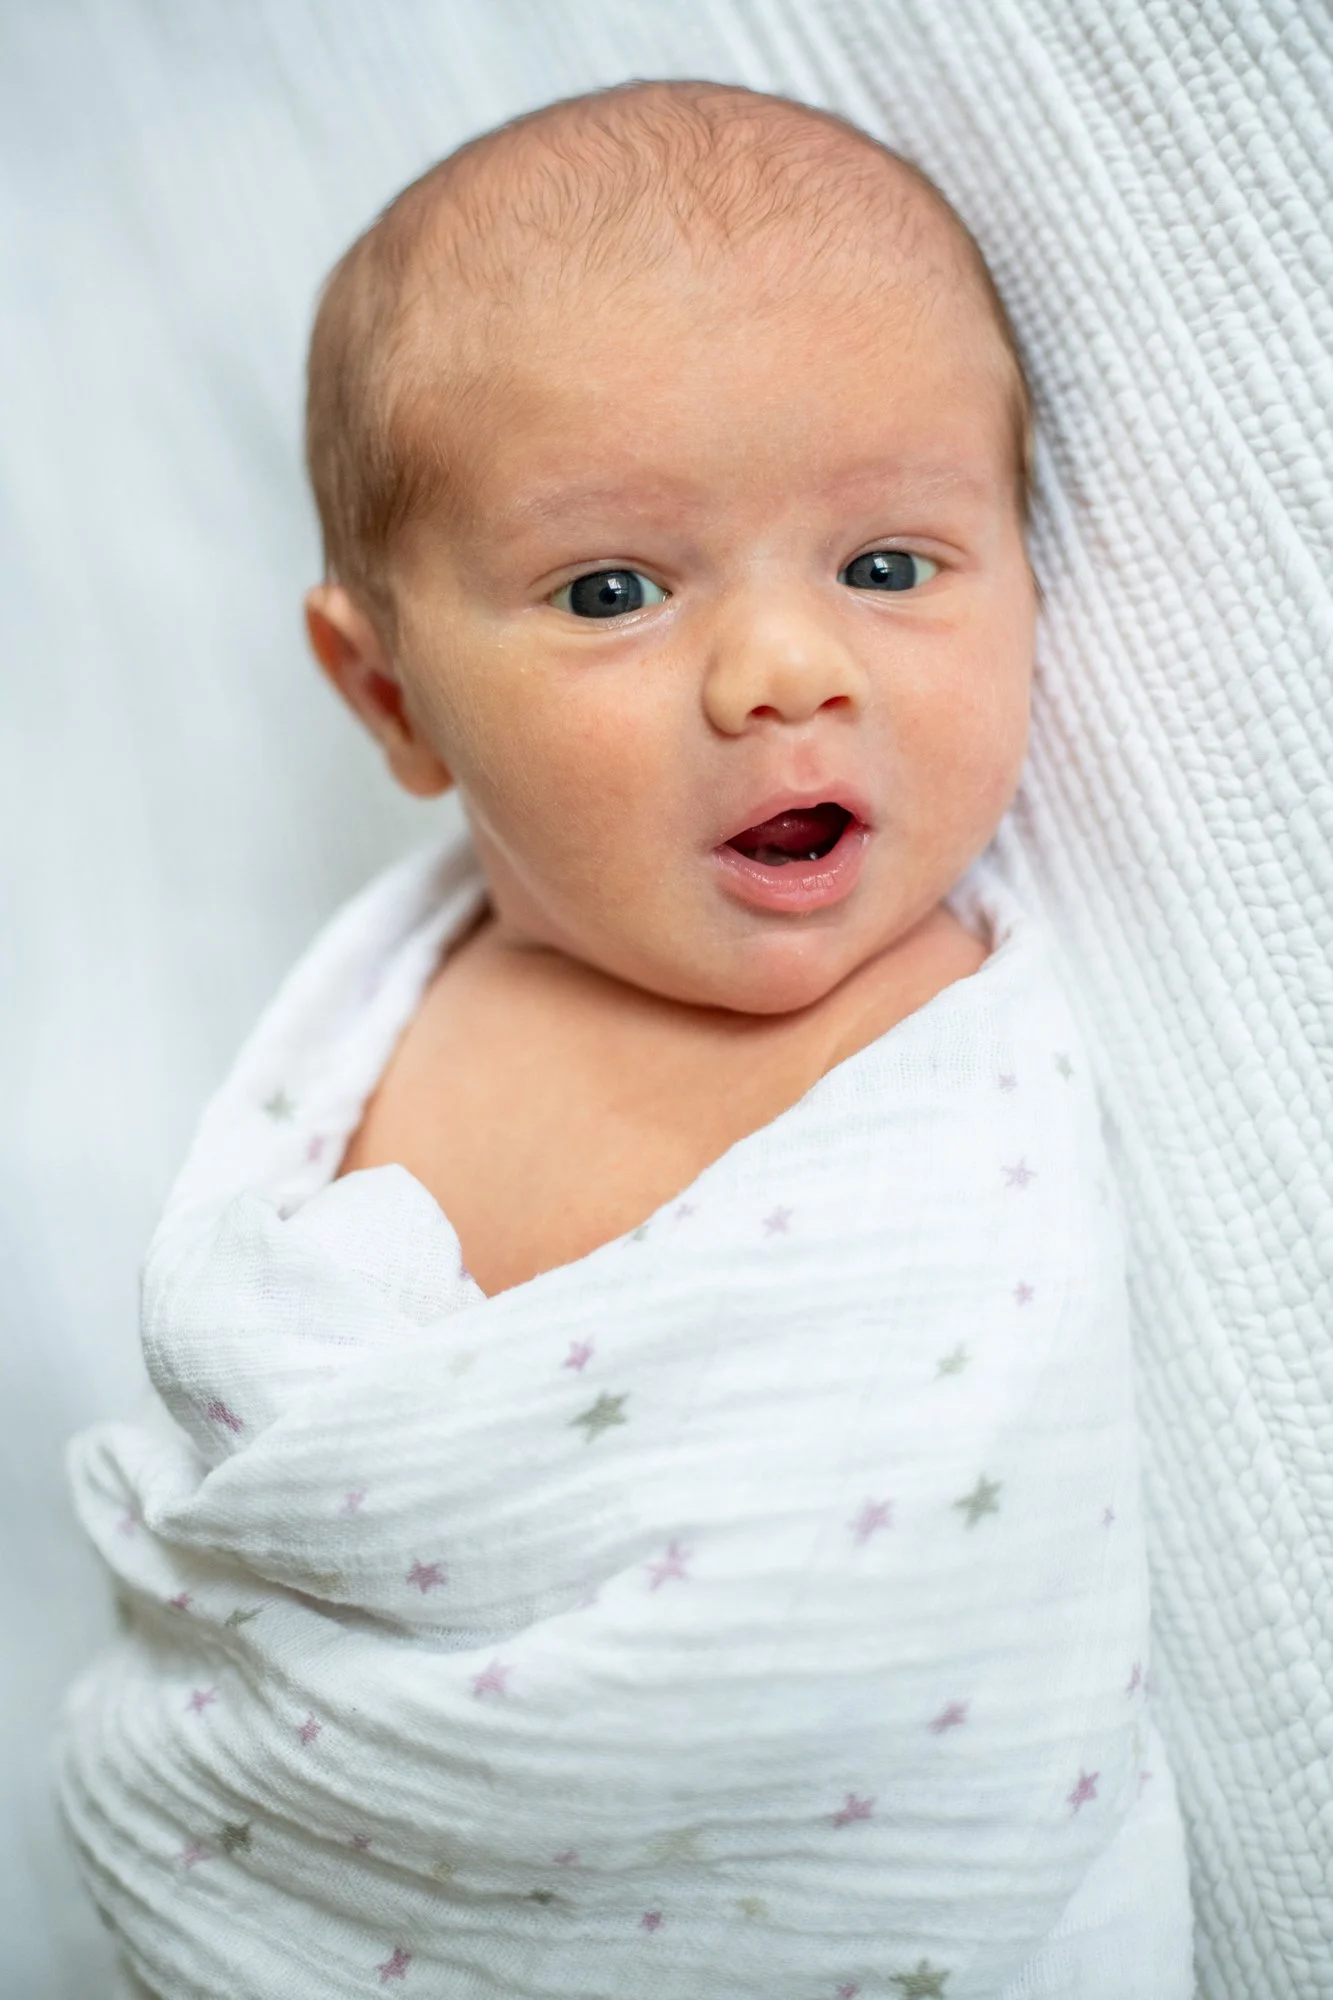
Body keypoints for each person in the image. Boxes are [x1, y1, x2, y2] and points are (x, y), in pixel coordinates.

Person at [59, 80, 1194, 1998]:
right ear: (389, 696)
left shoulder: (954, 1062)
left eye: (888, 565)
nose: (784, 671)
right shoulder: (388, 1007)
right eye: (613, 592)